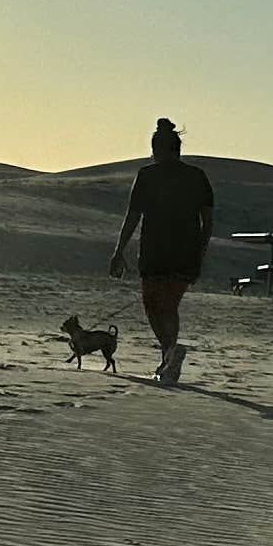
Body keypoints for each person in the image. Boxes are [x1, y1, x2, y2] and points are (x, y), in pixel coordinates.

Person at [109, 116, 213, 385]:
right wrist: (200, 254)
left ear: (158, 150)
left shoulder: (148, 175)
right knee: (167, 304)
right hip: (185, 252)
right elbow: (208, 223)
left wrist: (119, 250)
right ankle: (169, 357)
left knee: (155, 305)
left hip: (155, 250)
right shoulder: (197, 176)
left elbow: (132, 217)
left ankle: (170, 354)